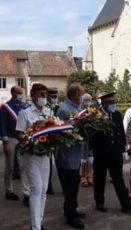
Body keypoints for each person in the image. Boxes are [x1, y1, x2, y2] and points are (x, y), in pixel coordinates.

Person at [90, 92, 131, 214]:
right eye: (111, 102)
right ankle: (99, 202)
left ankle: (125, 204)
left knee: (118, 178)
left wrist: (123, 148)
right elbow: (92, 135)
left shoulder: (117, 114)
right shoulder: (95, 115)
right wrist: (90, 152)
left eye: (114, 102)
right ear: (104, 104)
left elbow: (121, 132)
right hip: (101, 153)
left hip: (115, 152)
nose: (114, 104)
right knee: (99, 179)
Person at [16, 83, 51, 230]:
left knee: (43, 191)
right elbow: (19, 133)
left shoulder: (48, 111)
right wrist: (31, 140)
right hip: (31, 156)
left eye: (45, 94)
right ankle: (35, 226)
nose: (44, 97)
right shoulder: (25, 113)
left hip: (46, 156)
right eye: (41, 94)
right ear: (33, 95)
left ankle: (39, 222)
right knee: (36, 190)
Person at [56, 83, 85, 229]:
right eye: (81, 95)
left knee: (74, 184)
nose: (82, 98)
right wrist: (79, 124)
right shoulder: (64, 109)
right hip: (67, 154)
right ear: (75, 96)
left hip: (76, 153)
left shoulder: (76, 108)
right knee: (70, 186)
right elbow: (62, 130)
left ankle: (71, 208)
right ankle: (71, 216)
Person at [0, 86, 30, 205]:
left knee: (23, 165)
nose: (20, 95)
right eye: (18, 93)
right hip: (11, 139)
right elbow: (1, 125)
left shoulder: (22, 107)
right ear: (12, 93)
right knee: (10, 167)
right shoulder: (5, 107)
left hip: (21, 139)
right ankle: (9, 191)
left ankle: (26, 193)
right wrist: (5, 141)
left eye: (21, 93)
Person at [46, 87, 59, 195]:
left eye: (55, 96)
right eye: (52, 97)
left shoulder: (58, 107)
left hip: (58, 138)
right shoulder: (44, 107)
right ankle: (48, 185)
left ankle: (65, 186)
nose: (54, 99)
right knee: (49, 163)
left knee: (59, 163)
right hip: (48, 139)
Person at [80, 93, 94, 187]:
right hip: (83, 137)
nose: (87, 102)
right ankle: (83, 176)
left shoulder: (93, 111)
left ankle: (89, 175)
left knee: (90, 158)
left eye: (89, 100)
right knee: (83, 158)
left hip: (91, 137)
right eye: (86, 100)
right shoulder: (80, 111)